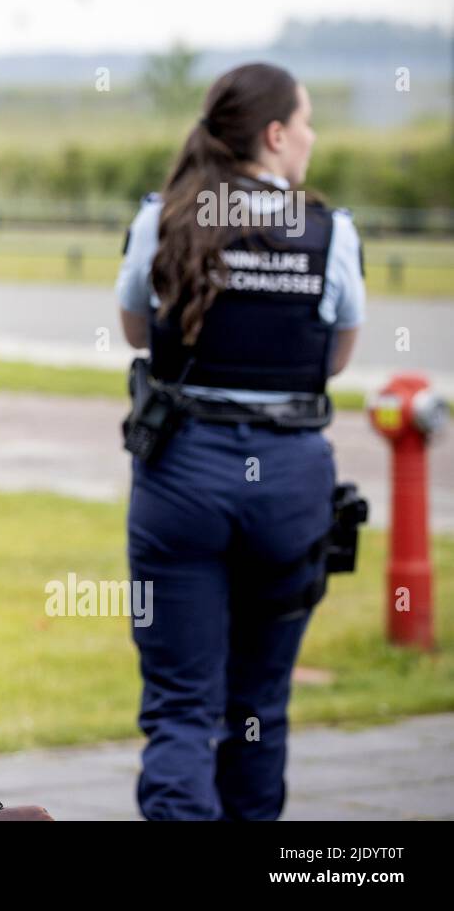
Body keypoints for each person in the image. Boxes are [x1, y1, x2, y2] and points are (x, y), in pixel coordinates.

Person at [115, 62, 366, 820]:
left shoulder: (163, 217)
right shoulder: (331, 231)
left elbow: (138, 333)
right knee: (261, 704)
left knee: (180, 705)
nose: (313, 138)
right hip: (290, 481)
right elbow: (334, 358)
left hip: (182, 474)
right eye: (308, 122)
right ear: (276, 134)